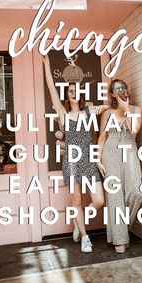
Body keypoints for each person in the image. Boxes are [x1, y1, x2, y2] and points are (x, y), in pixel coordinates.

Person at [43, 55, 108, 253]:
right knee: (77, 200)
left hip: (89, 159)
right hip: (71, 160)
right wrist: (47, 63)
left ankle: (78, 223)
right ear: (67, 95)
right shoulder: (63, 115)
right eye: (70, 91)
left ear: (80, 94)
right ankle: (85, 236)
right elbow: (52, 90)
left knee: (99, 200)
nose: (73, 93)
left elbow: (107, 107)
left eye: (76, 91)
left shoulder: (88, 112)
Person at [97, 79, 142, 254]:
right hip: (110, 152)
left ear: (127, 89)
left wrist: (126, 110)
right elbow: (102, 138)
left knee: (137, 192)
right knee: (115, 195)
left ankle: (121, 228)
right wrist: (98, 160)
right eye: (117, 88)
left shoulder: (136, 110)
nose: (121, 90)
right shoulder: (108, 113)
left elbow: (133, 132)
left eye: (123, 87)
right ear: (112, 94)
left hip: (129, 149)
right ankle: (120, 238)